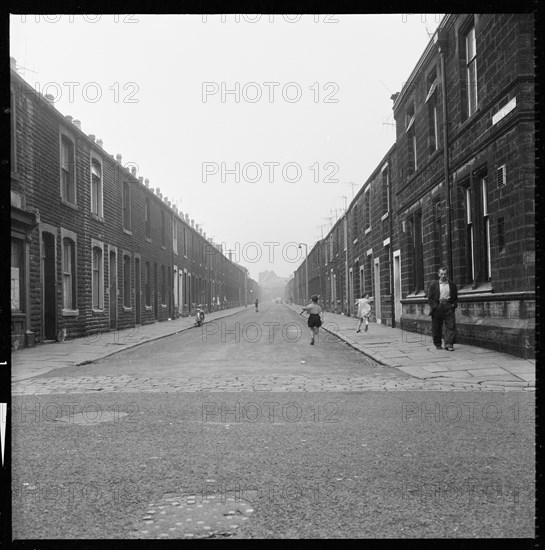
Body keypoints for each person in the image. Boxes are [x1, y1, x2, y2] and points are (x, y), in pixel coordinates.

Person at [428, 267, 458, 351]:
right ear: (438, 274)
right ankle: (437, 343)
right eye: (441, 274)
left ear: (447, 275)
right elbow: (430, 298)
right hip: (438, 306)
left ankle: (449, 344)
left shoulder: (452, 285)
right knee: (437, 326)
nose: (443, 276)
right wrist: (435, 307)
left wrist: (453, 305)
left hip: (448, 306)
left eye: (445, 274)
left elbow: (455, 298)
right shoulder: (433, 285)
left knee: (450, 325)